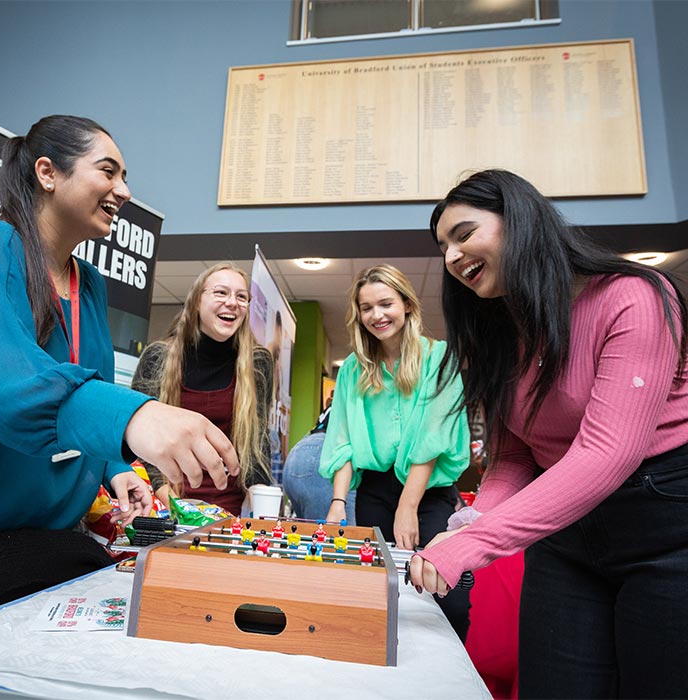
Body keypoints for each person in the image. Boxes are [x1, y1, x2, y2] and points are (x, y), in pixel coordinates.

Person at [0, 115, 239, 624]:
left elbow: (82, 387)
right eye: (108, 172)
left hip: (41, 547)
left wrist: (115, 469)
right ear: (48, 173)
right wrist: (137, 419)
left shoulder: (86, 283)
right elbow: (11, 390)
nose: (124, 191)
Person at [412, 169, 688, 699]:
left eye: (464, 234)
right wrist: (471, 519)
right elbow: (516, 455)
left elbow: (606, 455)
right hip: (565, 540)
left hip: (666, 530)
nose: (450, 256)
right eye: (443, 246)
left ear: (519, 221)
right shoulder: (501, 335)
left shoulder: (634, 296)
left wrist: (473, 543)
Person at [319, 264, 471, 641]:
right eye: (366, 308)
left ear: (406, 303)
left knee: (447, 595)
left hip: (430, 494)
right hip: (374, 493)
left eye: (385, 303)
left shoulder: (440, 358)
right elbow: (345, 439)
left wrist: (408, 506)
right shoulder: (354, 369)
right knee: (379, 596)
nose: (377, 315)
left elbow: (431, 440)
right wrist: (339, 501)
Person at [131, 262, 273, 515]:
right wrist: (173, 503)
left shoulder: (258, 362)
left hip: (229, 509)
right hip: (167, 504)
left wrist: (262, 505)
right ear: (197, 301)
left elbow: (257, 441)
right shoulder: (158, 357)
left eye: (242, 297)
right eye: (221, 292)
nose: (232, 302)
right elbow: (140, 439)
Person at [282, 403, 357, 524]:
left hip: (298, 452)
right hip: (327, 455)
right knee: (339, 537)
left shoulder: (346, 393)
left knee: (310, 537)